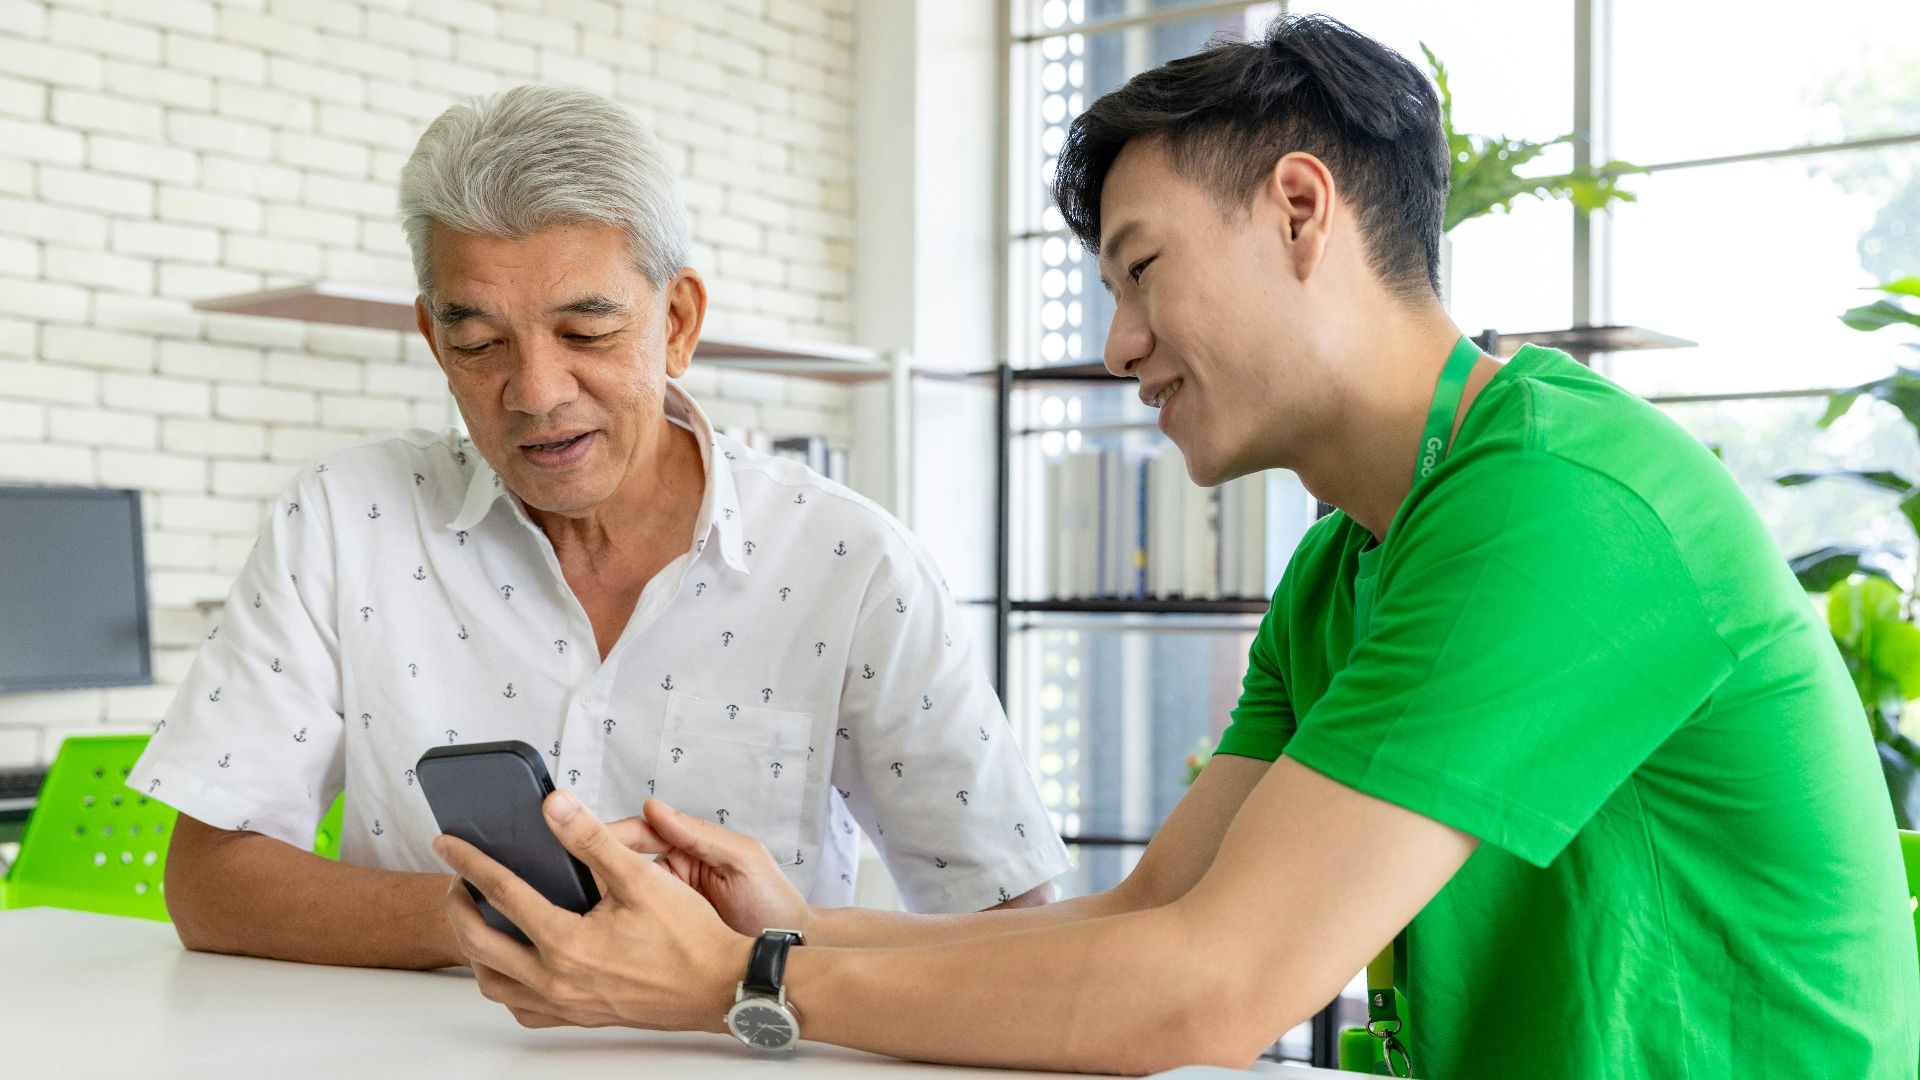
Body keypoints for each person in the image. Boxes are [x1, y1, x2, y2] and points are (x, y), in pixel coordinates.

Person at [426, 17, 1920, 1078]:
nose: (1120, 344)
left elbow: (1211, 993)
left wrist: (743, 988)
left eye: (1140, 271)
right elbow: (1153, 917)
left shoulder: (1566, 508)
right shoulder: (1353, 561)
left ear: (1297, 209)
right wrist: (802, 927)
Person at [129, 85, 1068, 971]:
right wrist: (500, 918)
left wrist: (774, 947)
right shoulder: (341, 520)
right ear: (432, 339)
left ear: (678, 322)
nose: (535, 393)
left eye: (586, 333)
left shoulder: (852, 565)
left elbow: (1006, 924)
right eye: (479, 342)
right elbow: (212, 883)